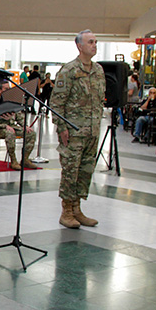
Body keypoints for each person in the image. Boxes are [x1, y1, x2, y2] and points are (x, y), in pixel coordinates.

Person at [51, 29, 105, 229]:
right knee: (70, 171)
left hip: (91, 131)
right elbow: (56, 103)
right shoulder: (69, 71)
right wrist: (62, 127)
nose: (94, 45)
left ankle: (77, 209)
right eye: (90, 42)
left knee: (85, 171)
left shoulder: (98, 70)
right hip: (73, 132)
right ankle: (66, 211)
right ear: (79, 46)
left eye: (95, 42)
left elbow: (99, 101)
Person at [0, 78, 38, 170]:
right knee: (10, 133)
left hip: (12, 127)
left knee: (31, 133)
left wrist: (25, 126)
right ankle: (13, 160)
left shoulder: (11, 101)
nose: (8, 91)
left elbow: (19, 117)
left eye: (9, 89)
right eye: (6, 89)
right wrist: (5, 126)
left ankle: (25, 159)